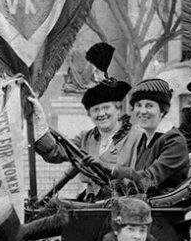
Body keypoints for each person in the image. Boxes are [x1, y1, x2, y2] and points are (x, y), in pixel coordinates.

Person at [32, 42, 133, 200]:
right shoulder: (86, 139)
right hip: (92, 203)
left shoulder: (135, 137)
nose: (101, 114)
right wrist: (37, 120)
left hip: (126, 203)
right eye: (95, 110)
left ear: (118, 109)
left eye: (106, 108)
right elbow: (54, 152)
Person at [110, 78, 190, 196]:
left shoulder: (174, 141)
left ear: (162, 110)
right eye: (138, 105)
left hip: (164, 209)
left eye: (149, 106)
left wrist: (111, 170)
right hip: (144, 203)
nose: (142, 111)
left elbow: (148, 180)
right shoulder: (144, 138)